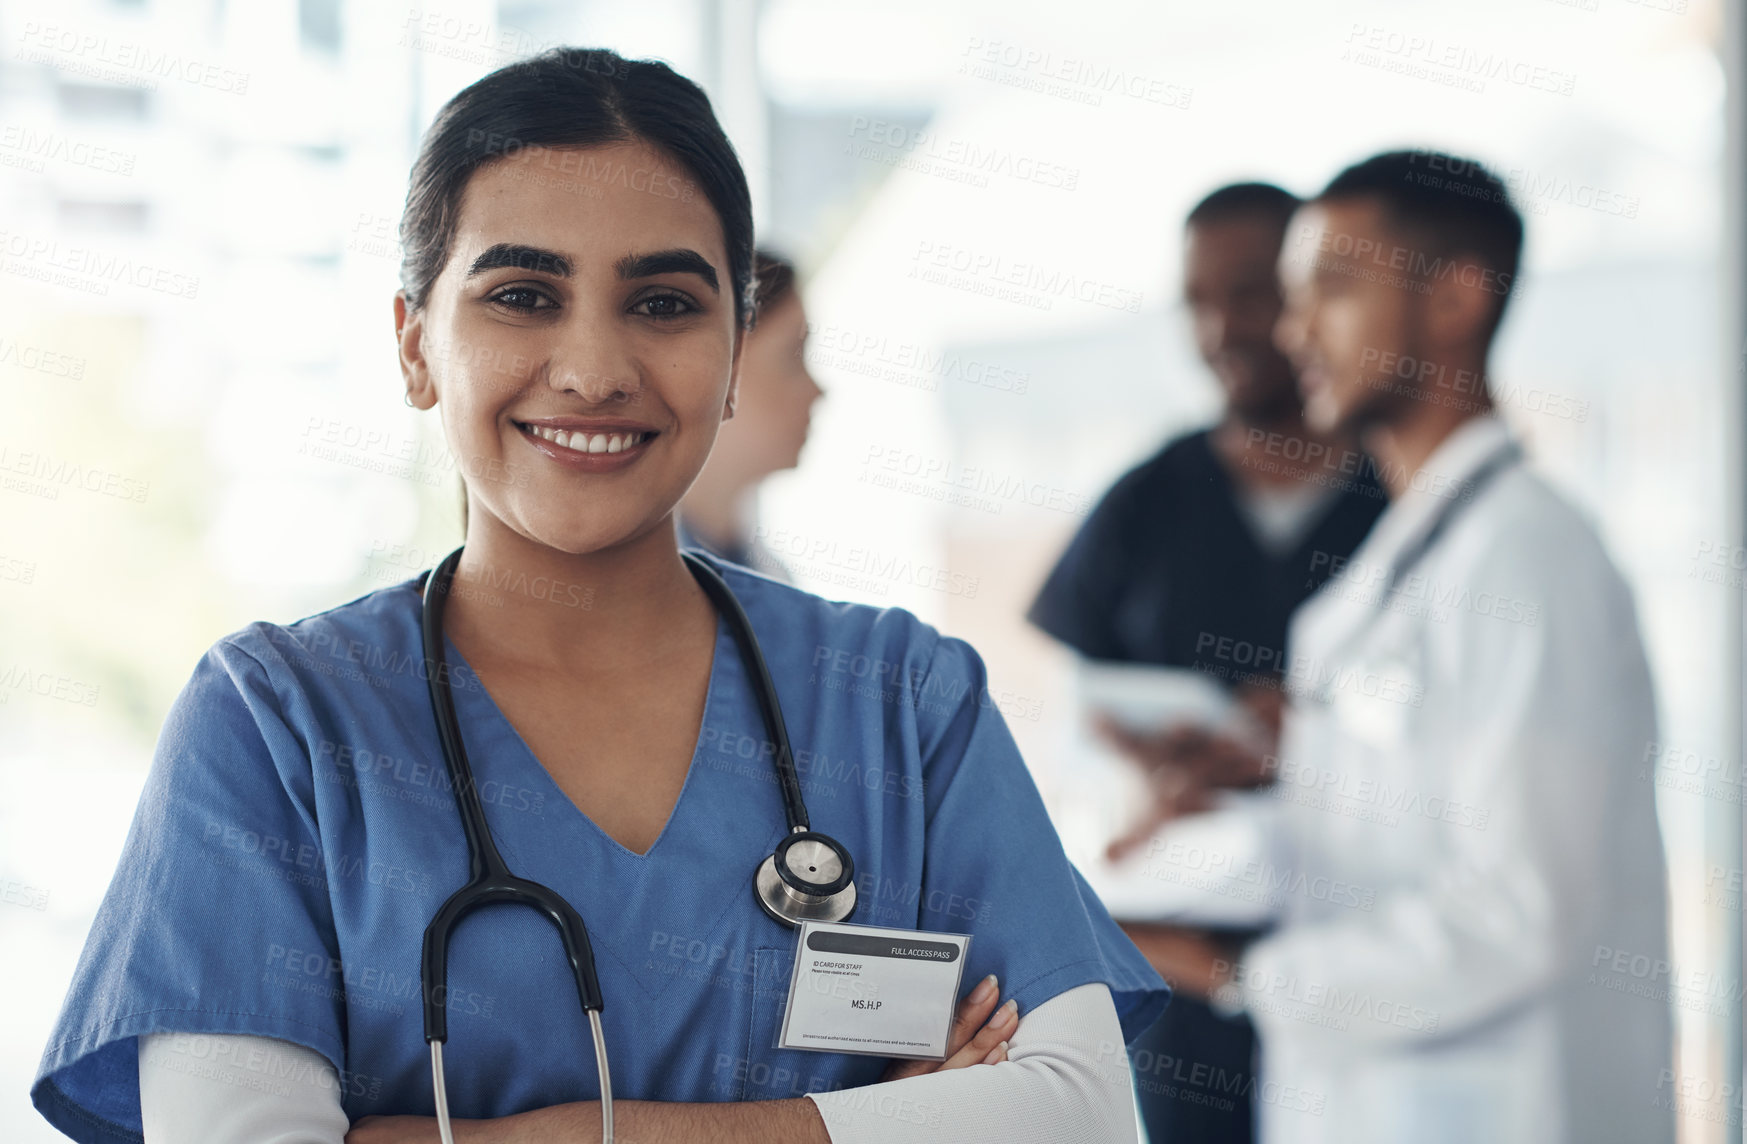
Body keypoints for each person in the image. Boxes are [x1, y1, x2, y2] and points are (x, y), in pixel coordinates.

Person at [30, 48, 1168, 1144]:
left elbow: (1078, 1114)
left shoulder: (903, 701)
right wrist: (875, 1122)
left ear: (731, 350)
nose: (593, 368)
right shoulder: (280, 724)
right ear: (416, 345)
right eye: (522, 294)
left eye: (664, 303)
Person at [1149, 151, 1672, 1143]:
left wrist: (1231, 970)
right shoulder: (1417, 556)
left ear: (1455, 301)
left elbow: (1519, 911)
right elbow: (1399, 832)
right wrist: (1268, 781)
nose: (1292, 331)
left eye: (1332, 292)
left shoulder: (1524, 558)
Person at [1027, 182, 1386, 1144]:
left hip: (1370, 963)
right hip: (1182, 979)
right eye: (1196, 299)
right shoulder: (1147, 503)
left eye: (1253, 290)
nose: (1222, 326)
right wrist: (1143, 773)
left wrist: (1313, 738)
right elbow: (1075, 726)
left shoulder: (1400, 507)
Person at [677, 248, 822, 579]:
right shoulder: (612, 575)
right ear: (712, 372)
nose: (817, 391)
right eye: (792, 357)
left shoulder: (773, 578)